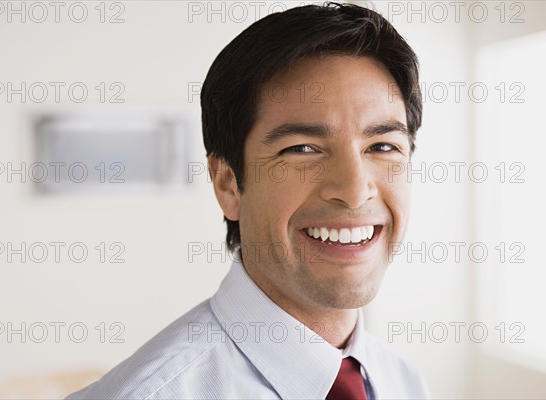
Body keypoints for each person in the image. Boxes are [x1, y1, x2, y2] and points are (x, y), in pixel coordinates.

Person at [68, 2, 429, 399]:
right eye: (302, 149)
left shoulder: (404, 381)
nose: (355, 188)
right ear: (227, 184)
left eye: (382, 145)